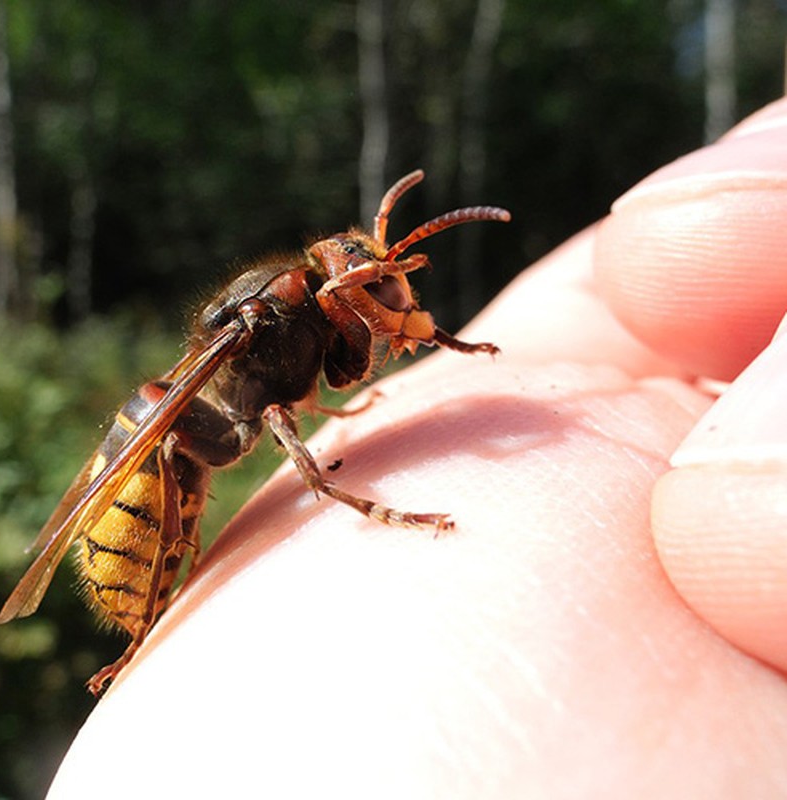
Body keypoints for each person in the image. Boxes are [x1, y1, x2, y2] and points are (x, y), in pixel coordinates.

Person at [47, 98, 787, 798]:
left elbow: (342, 355)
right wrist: (348, 497)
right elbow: (271, 410)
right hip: (146, 485)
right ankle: (153, 621)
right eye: (368, 284)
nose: (384, 296)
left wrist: (441, 342)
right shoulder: (268, 328)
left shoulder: (307, 313)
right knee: (183, 438)